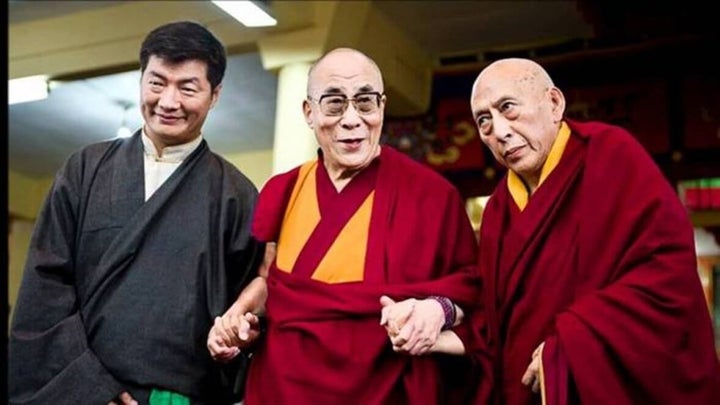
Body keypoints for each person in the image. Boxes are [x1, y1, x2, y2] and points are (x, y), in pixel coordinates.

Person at [205, 47, 485, 404]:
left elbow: (473, 290)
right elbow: (271, 282)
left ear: (382, 106)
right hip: (284, 387)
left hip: (386, 388)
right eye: (335, 104)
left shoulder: (433, 195)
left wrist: (437, 310)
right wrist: (236, 318)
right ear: (309, 112)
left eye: (365, 102)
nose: (352, 119)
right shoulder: (285, 189)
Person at [8, 21, 263, 404]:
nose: (168, 101)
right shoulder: (85, 170)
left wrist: (238, 338)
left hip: (175, 395)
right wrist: (91, 390)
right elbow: (44, 292)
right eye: (157, 82)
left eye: (188, 87)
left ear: (215, 95)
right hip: (76, 390)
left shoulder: (236, 195)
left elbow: (246, 312)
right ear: (141, 79)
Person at [462, 58, 720, 403]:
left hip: (601, 385)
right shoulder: (497, 210)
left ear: (554, 103)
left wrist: (571, 344)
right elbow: (494, 320)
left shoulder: (610, 155)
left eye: (507, 108)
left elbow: (667, 273)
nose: (500, 131)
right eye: (484, 121)